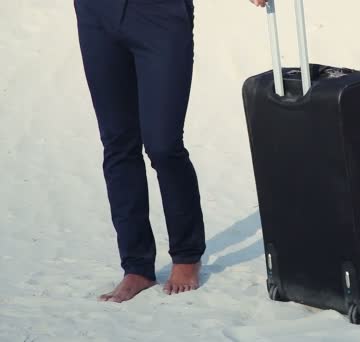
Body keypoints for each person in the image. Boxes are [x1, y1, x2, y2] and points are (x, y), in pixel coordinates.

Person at [74, 0, 268, 303]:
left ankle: (187, 254)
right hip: (96, 13)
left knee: (163, 145)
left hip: (160, 14)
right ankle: (136, 266)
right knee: (118, 144)